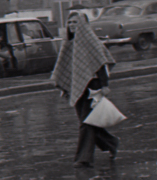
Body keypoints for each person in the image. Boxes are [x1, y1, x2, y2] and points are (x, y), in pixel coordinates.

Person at [50, 13, 119, 169]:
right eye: (69, 22)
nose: (72, 25)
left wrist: (104, 85)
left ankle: (84, 158)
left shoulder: (91, 41)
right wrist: (66, 87)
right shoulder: (69, 42)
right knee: (88, 121)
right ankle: (112, 143)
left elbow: (101, 63)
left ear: (83, 24)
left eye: (75, 22)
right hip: (77, 85)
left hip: (92, 86)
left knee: (86, 123)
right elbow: (67, 67)